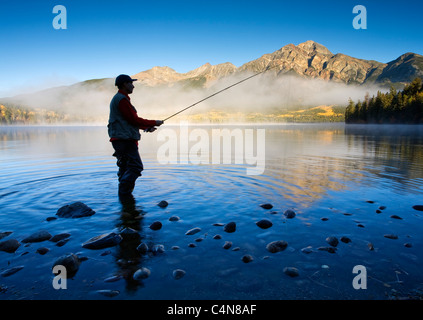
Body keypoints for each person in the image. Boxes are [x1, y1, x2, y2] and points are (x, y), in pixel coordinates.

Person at [108, 74, 163, 197]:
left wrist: (146, 127)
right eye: (131, 83)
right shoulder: (122, 99)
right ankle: (124, 192)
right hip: (125, 141)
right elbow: (134, 120)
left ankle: (124, 199)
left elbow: (128, 121)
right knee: (136, 166)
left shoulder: (120, 98)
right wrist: (154, 122)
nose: (133, 86)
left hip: (119, 140)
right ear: (124, 84)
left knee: (125, 167)